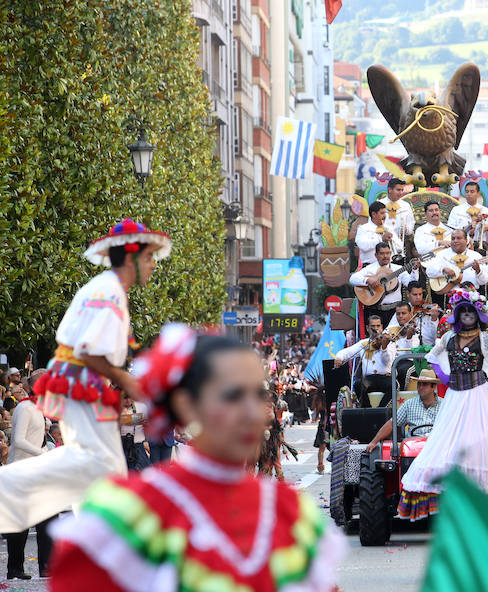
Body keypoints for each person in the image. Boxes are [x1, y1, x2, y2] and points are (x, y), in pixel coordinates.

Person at [49, 324, 344, 590]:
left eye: (258, 395)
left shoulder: (291, 513)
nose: (252, 413)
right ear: (186, 404)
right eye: (232, 396)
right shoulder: (128, 513)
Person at [0, 219, 170, 533]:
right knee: (98, 466)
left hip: (82, 385)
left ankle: (96, 536)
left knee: (100, 469)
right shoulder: (108, 292)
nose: (153, 265)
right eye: (148, 257)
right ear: (130, 257)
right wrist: (128, 381)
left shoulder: (107, 289)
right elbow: (89, 350)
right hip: (82, 385)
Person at [397, 289, 488, 520]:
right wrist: (442, 376)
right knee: (447, 446)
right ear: (457, 314)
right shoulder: (448, 338)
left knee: (484, 444)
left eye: (470, 311)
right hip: (455, 397)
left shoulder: (484, 339)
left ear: (477, 315)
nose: (466, 314)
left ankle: (480, 499)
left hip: (479, 396)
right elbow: (432, 356)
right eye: (462, 311)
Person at [4, 369, 54, 580]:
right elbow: (18, 441)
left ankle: (46, 566)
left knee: (47, 516)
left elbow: (35, 440)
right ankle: (15, 568)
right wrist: (43, 452)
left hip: (36, 469)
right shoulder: (25, 407)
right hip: (22, 470)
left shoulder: (38, 408)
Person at [366, 368, 443, 451]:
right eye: (419, 384)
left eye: (424, 384)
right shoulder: (409, 404)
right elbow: (392, 423)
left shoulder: (444, 405)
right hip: (413, 447)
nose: (420, 387)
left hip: (436, 446)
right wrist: (374, 442)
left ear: (433, 387)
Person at [350, 241, 416, 327]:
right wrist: (367, 280)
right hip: (375, 311)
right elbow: (352, 279)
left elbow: (411, 284)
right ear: (376, 255)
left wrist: (415, 270)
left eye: (387, 253)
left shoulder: (398, 269)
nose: (385, 256)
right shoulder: (370, 269)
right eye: (382, 253)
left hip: (394, 311)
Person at [334, 315, 395, 408]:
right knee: (358, 384)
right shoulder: (364, 343)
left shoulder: (389, 343)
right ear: (367, 328)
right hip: (369, 379)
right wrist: (339, 357)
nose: (376, 329)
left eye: (378, 326)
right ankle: (367, 410)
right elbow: (348, 352)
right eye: (373, 327)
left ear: (382, 327)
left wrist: (384, 347)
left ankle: (382, 409)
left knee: (394, 386)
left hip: (384, 377)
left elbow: (387, 362)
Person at [388, 281, 440, 347]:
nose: (418, 297)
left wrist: (434, 319)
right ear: (407, 293)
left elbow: (435, 337)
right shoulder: (402, 311)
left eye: (420, 294)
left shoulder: (428, 311)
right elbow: (391, 331)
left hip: (428, 348)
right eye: (415, 295)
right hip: (408, 348)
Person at [447, 182, 488, 250]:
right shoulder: (456, 210)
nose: (469, 194)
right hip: (461, 246)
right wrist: (464, 229)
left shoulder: (486, 211)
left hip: (480, 246)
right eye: (467, 192)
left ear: (478, 194)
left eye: (472, 192)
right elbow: (449, 230)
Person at [378, 178, 415, 259]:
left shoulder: (406, 205)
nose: (400, 193)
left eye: (402, 190)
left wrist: (407, 229)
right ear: (389, 190)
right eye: (398, 190)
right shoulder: (379, 204)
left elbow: (411, 222)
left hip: (400, 245)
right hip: (383, 244)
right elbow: (372, 224)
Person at [355, 201, 393, 266]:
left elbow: (398, 247)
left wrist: (392, 242)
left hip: (388, 266)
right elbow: (363, 246)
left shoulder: (388, 229)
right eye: (382, 213)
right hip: (369, 266)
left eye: (385, 213)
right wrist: (381, 239)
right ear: (374, 214)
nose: (384, 216)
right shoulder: (363, 229)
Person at [119, 392, 150, 471]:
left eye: (130, 397)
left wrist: (128, 419)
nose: (128, 400)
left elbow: (147, 420)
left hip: (138, 446)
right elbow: (119, 420)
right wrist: (135, 419)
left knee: (143, 472)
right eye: (125, 398)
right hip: (122, 444)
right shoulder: (116, 407)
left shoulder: (141, 406)